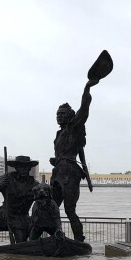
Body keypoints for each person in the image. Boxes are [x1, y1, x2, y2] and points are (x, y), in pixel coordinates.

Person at [50, 79, 99, 242]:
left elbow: (84, 110)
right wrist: (56, 160)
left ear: (70, 116)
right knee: (52, 207)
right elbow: (76, 152)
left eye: (63, 114)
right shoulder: (59, 135)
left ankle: (79, 239)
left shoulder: (74, 127)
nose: (59, 116)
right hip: (57, 173)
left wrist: (87, 89)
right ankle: (55, 235)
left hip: (70, 173)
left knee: (69, 209)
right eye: (58, 114)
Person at [0, 155, 39, 251]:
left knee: (21, 246)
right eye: (20, 166)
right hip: (5, 216)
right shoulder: (6, 178)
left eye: (25, 167)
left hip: (21, 220)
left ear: (29, 168)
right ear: (16, 167)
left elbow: (44, 199)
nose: (23, 169)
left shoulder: (35, 185)